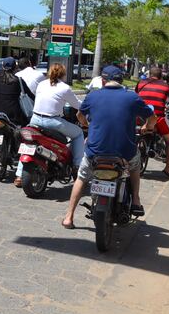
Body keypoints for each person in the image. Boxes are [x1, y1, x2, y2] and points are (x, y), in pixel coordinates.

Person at [62, 66, 156, 228]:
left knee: (82, 177)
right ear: (121, 80)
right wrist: (147, 127)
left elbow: (80, 116)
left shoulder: (93, 96)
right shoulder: (132, 97)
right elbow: (152, 117)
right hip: (124, 153)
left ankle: (69, 217)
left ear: (103, 81)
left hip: (95, 153)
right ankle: (135, 199)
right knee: (135, 166)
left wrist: (87, 126)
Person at [13, 63, 85, 188]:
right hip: (53, 122)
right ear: (63, 74)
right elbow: (77, 105)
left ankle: (19, 175)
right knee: (78, 133)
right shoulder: (65, 88)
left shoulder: (42, 84)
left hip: (35, 119)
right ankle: (77, 166)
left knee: (28, 144)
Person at [135, 66, 169, 178]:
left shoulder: (141, 83)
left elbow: (136, 95)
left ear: (149, 74)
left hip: (139, 116)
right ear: (161, 76)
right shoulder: (165, 85)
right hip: (157, 118)